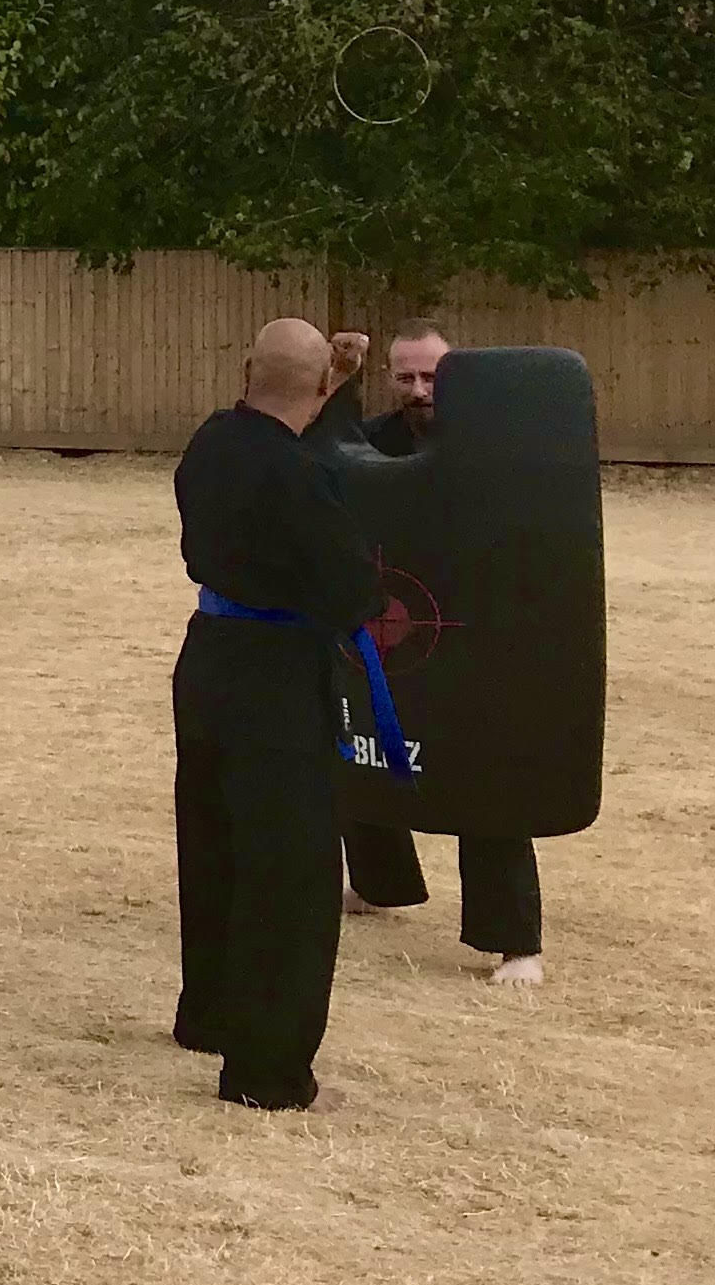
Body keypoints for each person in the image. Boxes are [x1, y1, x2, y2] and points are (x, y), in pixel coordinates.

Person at [171, 318, 380, 1114]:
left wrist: (333, 382)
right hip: (278, 676)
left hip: (209, 660)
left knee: (216, 844)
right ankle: (269, 1072)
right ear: (321, 386)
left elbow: (281, 434)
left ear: (245, 369)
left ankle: (211, 1014)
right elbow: (352, 590)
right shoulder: (301, 480)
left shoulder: (210, 444)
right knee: (288, 869)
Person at [338, 321, 547, 987]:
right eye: (405, 376)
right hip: (394, 625)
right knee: (362, 746)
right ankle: (379, 883)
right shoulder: (371, 444)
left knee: (487, 778)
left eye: (432, 376)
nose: (419, 389)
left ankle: (515, 942)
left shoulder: (499, 445)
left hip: (477, 633)